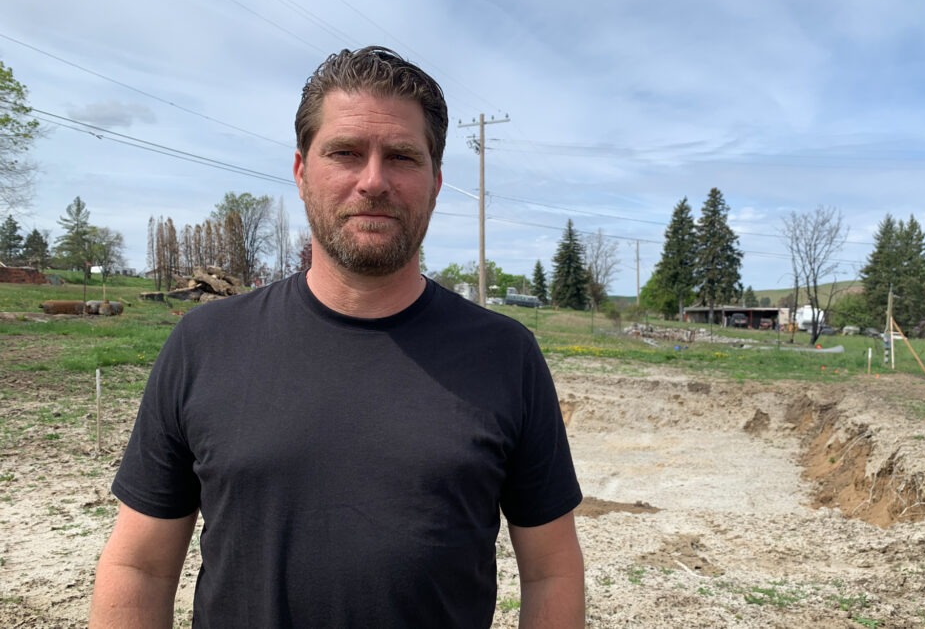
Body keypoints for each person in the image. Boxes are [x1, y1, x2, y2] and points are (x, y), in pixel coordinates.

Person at [89, 46, 584, 628]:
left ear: (436, 181)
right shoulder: (205, 343)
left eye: (402, 156)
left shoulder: (506, 355)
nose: (373, 181)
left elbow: (552, 570)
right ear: (302, 172)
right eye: (345, 153)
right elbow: (139, 567)